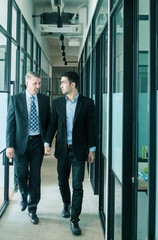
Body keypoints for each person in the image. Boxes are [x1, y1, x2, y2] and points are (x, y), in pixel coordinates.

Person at [44, 71, 96, 235]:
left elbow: (92, 128)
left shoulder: (87, 103)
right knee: (62, 181)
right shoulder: (58, 103)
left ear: (73, 85)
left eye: (63, 82)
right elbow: (52, 124)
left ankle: (74, 220)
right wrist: (47, 142)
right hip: (62, 150)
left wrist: (92, 149)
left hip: (79, 151)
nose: (60, 85)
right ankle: (66, 204)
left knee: (77, 186)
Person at [6, 72, 50, 225]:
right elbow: (10, 124)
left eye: (39, 84)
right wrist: (9, 145)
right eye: (35, 84)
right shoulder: (16, 99)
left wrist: (47, 143)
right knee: (21, 174)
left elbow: (48, 123)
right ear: (27, 83)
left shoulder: (44, 100)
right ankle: (24, 195)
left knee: (36, 176)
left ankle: (33, 208)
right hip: (20, 144)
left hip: (38, 143)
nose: (38, 87)